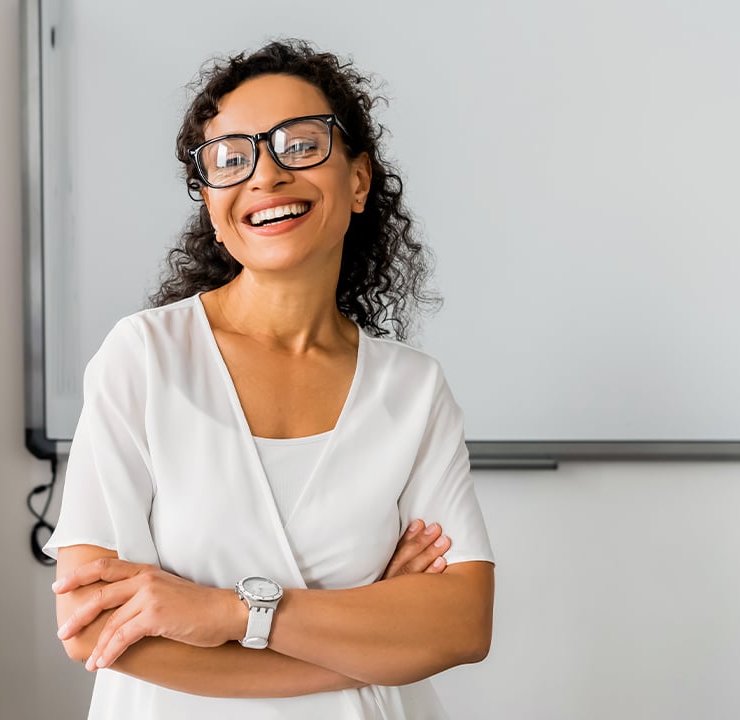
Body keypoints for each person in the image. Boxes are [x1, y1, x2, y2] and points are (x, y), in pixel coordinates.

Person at [44, 39, 495, 719]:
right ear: (211, 203)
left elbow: (460, 626)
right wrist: (364, 642)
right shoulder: (143, 359)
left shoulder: (412, 390)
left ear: (359, 180)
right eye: (232, 158)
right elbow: (93, 626)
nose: (266, 176)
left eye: (301, 144)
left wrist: (221, 612)